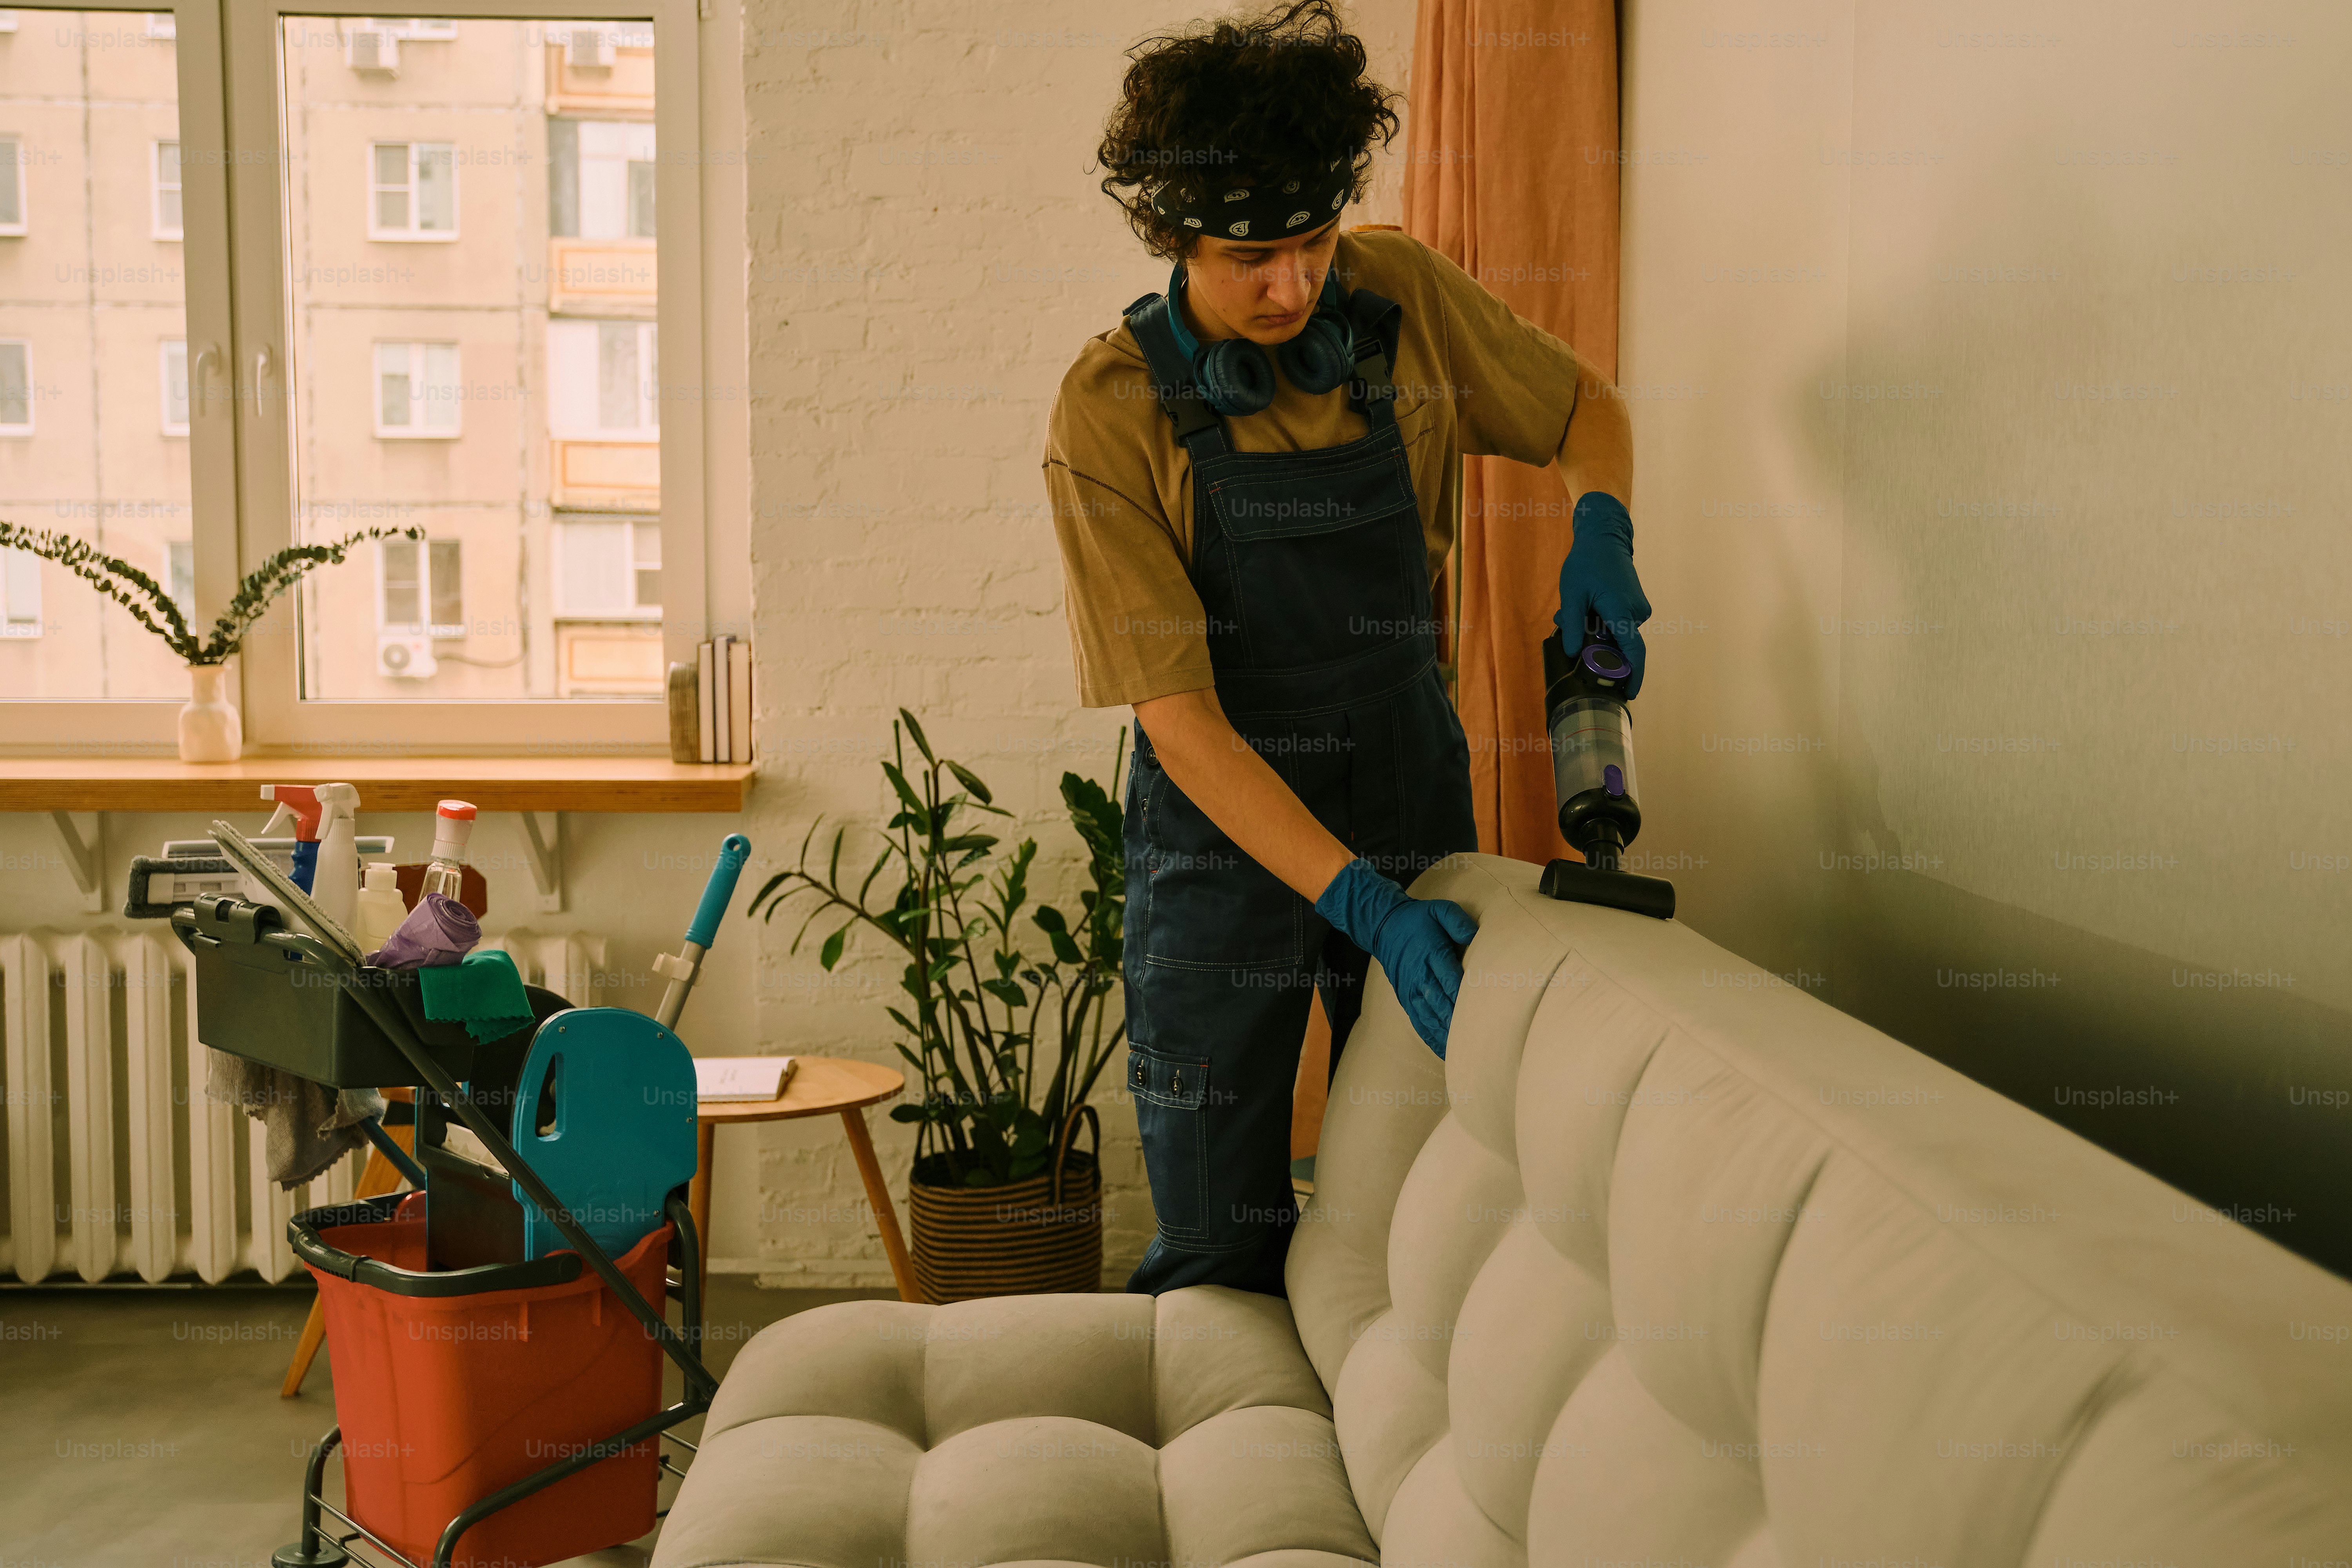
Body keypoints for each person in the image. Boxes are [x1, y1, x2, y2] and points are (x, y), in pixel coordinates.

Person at [1042, 0, 1648, 1297]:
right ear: (1173, 236)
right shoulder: (1112, 409)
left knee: (1433, 1197)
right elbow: (1181, 722)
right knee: (1219, 1231)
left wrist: (1601, 530)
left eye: (1315, 242)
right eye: (1251, 258)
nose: (1295, 287)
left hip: (1406, 778)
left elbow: (1585, 411)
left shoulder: (1401, 296)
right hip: (1223, 830)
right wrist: (1360, 902)